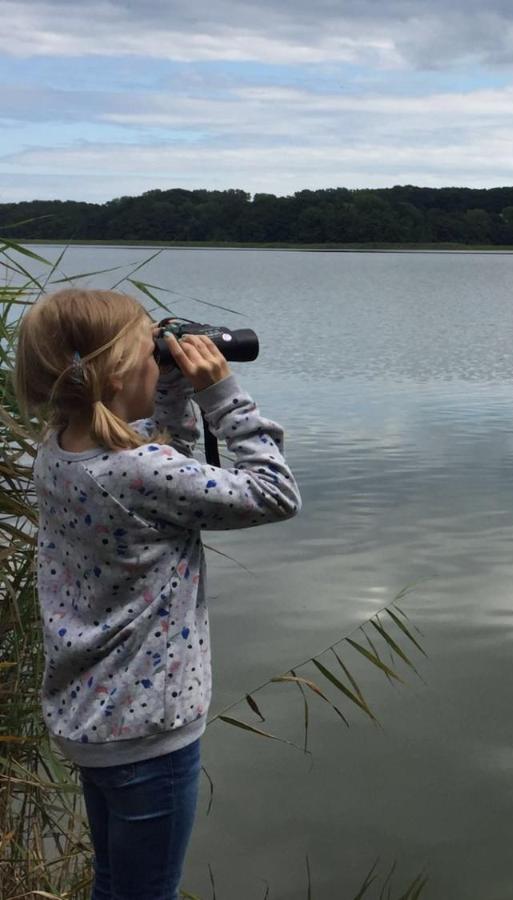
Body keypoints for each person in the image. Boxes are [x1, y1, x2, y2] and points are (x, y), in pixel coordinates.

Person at [15, 288, 301, 899]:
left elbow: (163, 462)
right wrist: (221, 396)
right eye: (153, 354)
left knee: (115, 884)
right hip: (147, 733)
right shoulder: (139, 471)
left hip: (91, 720)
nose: (161, 359)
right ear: (119, 374)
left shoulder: (59, 450)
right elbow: (275, 493)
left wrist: (169, 390)